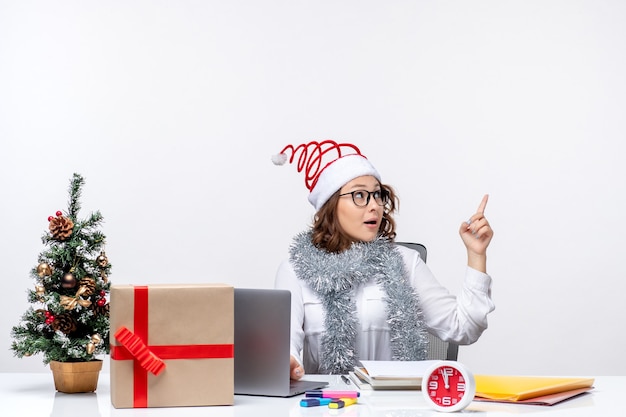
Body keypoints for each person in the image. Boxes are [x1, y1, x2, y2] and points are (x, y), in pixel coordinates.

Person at [271, 140, 495, 380]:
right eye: (360, 195)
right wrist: (282, 363)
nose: (375, 206)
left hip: (397, 405)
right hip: (328, 406)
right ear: (330, 206)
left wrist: (476, 254)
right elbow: (285, 349)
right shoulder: (295, 271)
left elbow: (464, 328)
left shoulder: (406, 263)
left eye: (378, 195)